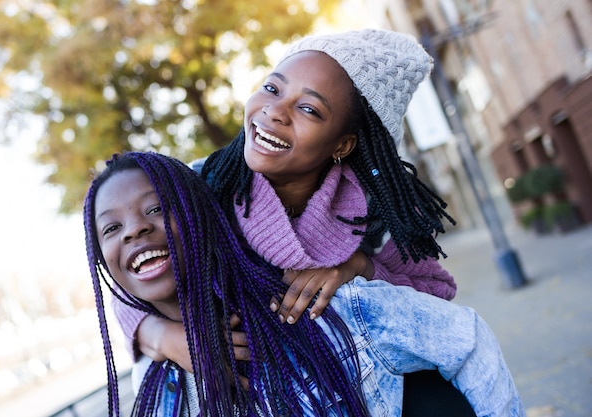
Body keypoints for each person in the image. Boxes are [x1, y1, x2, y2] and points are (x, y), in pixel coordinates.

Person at [113, 28, 471, 414]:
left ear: (342, 144)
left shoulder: (373, 210)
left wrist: (359, 266)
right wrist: (164, 337)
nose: (275, 111)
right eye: (272, 88)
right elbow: (128, 271)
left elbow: (436, 293)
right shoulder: (201, 188)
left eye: (309, 109)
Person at [85, 151, 525, 417]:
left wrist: (355, 263)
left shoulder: (321, 309)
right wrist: (158, 334)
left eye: (157, 209)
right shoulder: (157, 392)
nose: (133, 231)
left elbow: (465, 339)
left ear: (204, 217)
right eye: (110, 229)